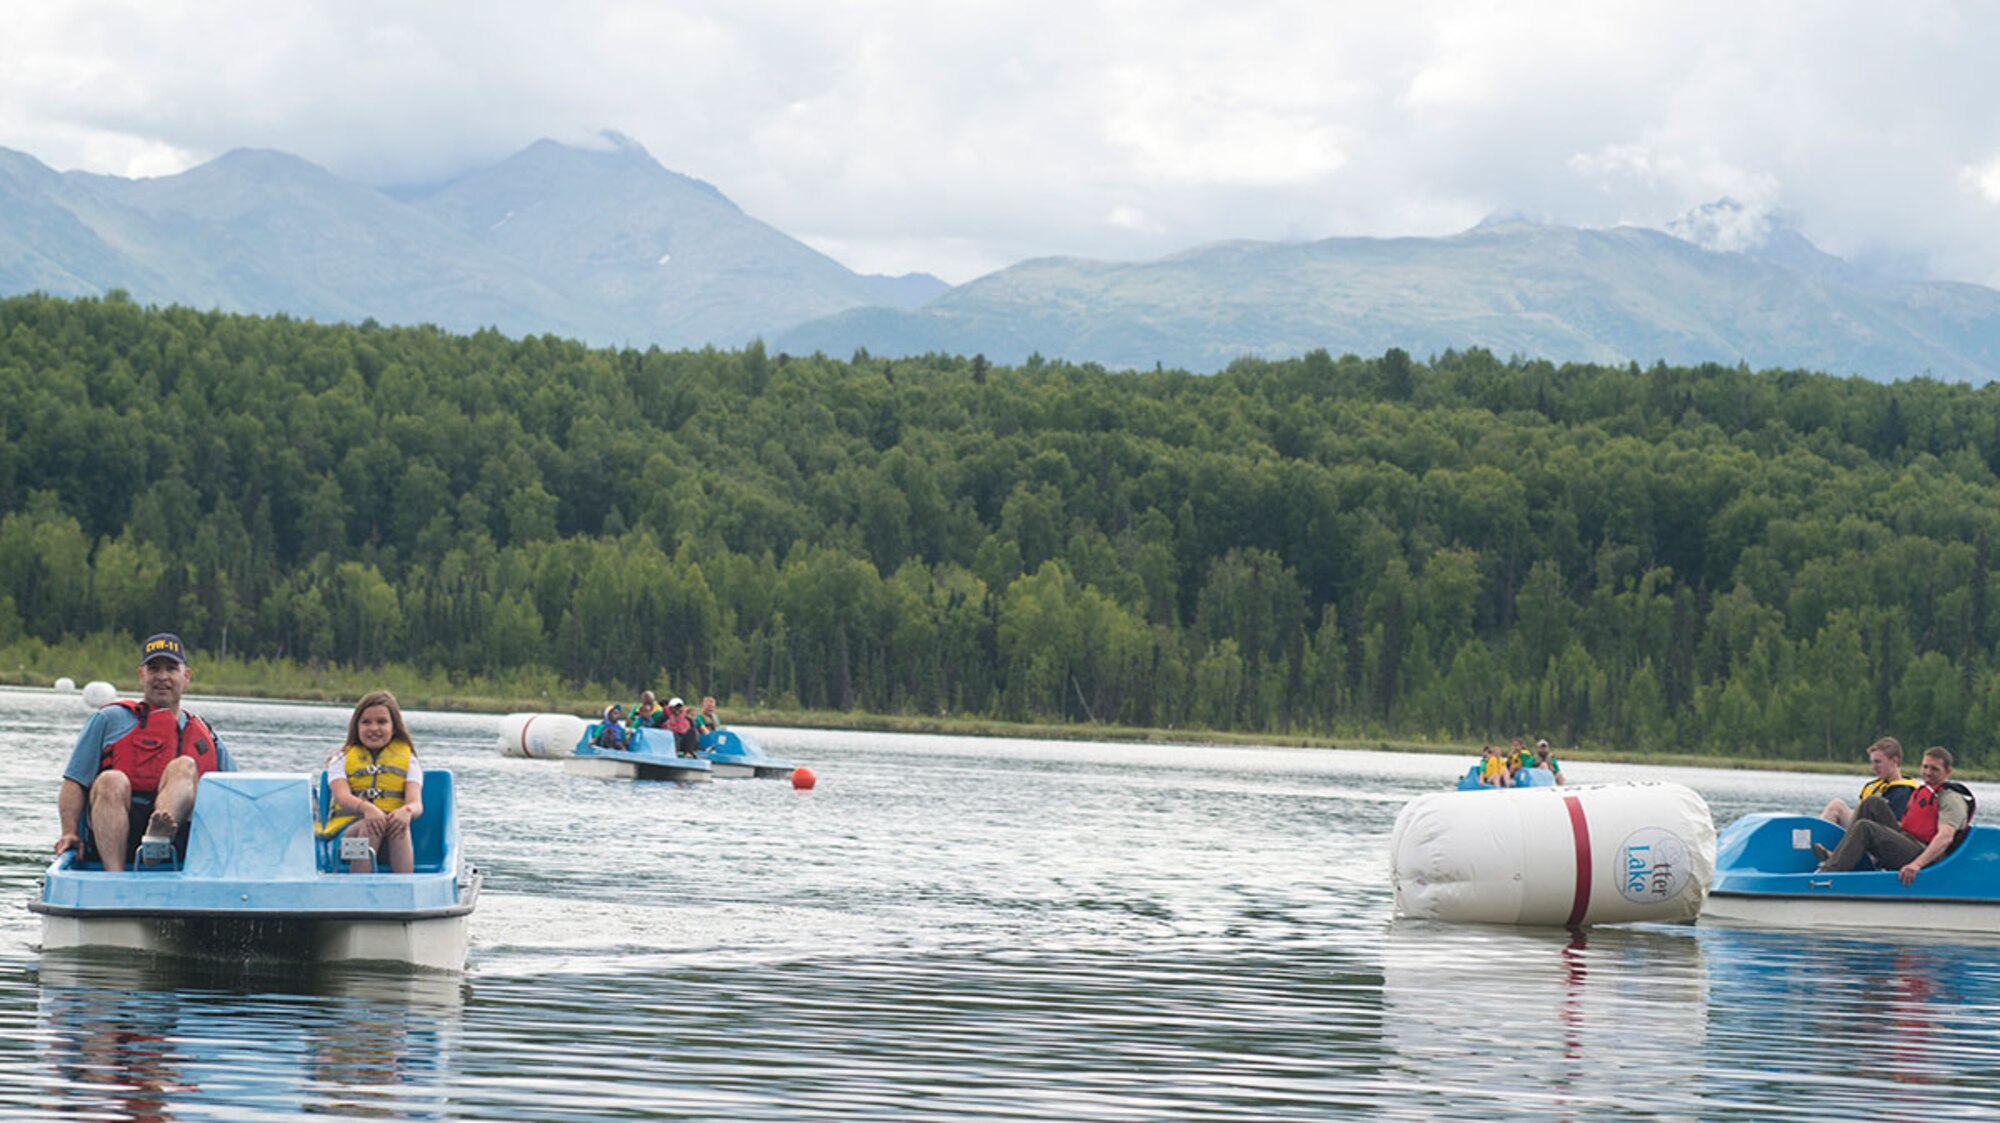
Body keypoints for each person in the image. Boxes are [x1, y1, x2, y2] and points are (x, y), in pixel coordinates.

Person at [55, 633, 235, 871]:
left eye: (171, 668)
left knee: (185, 766)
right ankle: (114, 877)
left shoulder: (206, 735)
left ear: (186, 676)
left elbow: (235, 792)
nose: (162, 677)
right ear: (142, 676)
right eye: (154, 669)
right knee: (111, 779)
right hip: (110, 831)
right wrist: (68, 832)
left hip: (176, 837)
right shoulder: (108, 719)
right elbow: (74, 782)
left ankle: (156, 842)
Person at [1817, 746, 1976, 884]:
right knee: (1872, 803)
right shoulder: (1926, 792)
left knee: (1865, 828)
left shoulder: (1951, 799)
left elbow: (1945, 837)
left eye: (1934, 769)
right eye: (1925, 767)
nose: (1927, 773)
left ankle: (1827, 875)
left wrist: (1916, 865)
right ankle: (1840, 855)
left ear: (1948, 772)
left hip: (1925, 855)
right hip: (1909, 841)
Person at [318, 690, 424, 874]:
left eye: (382, 722)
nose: (373, 728)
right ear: (356, 726)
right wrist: (367, 809)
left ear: (394, 727)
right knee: (372, 823)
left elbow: (416, 804)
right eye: (366, 722)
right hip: (346, 845)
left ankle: (404, 887)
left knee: (398, 824)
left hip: (388, 846)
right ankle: (359, 888)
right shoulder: (340, 760)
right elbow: (342, 797)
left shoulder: (410, 762)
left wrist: (406, 812)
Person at [1822, 737, 1919, 829]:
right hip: (1862, 826)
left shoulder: (1903, 791)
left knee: (1837, 806)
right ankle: (1818, 840)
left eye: (1878, 762)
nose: (1873, 767)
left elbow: (1897, 826)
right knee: (1836, 805)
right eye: (1872, 762)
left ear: (1894, 761)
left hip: (1874, 833)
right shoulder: (1878, 786)